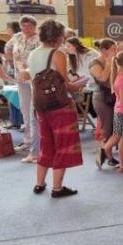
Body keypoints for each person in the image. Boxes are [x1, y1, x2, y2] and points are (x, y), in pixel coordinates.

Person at [26, 19, 83, 198]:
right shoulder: (57, 54)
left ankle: (39, 183)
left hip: (41, 105)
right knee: (63, 145)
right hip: (60, 107)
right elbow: (65, 84)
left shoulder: (33, 53)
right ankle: (57, 188)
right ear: (58, 36)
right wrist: (80, 84)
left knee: (46, 144)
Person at [6, 15, 40, 162]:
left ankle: (36, 144)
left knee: (33, 112)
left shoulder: (39, 39)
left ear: (34, 26)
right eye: (23, 25)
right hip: (20, 78)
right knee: (24, 110)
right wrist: (11, 63)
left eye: (29, 26)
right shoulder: (17, 37)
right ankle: (27, 140)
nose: (26, 28)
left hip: (34, 78)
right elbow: (7, 49)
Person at [90, 38, 119, 168]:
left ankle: (107, 154)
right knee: (108, 128)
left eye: (116, 49)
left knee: (113, 127)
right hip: (101, 97)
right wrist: (108, 62)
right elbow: (102, 78)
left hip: (112, 97)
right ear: (103, 50)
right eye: (113, 49)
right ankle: (105, 154)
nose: (115, 51)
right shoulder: (95, 63)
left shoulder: (114, 61)